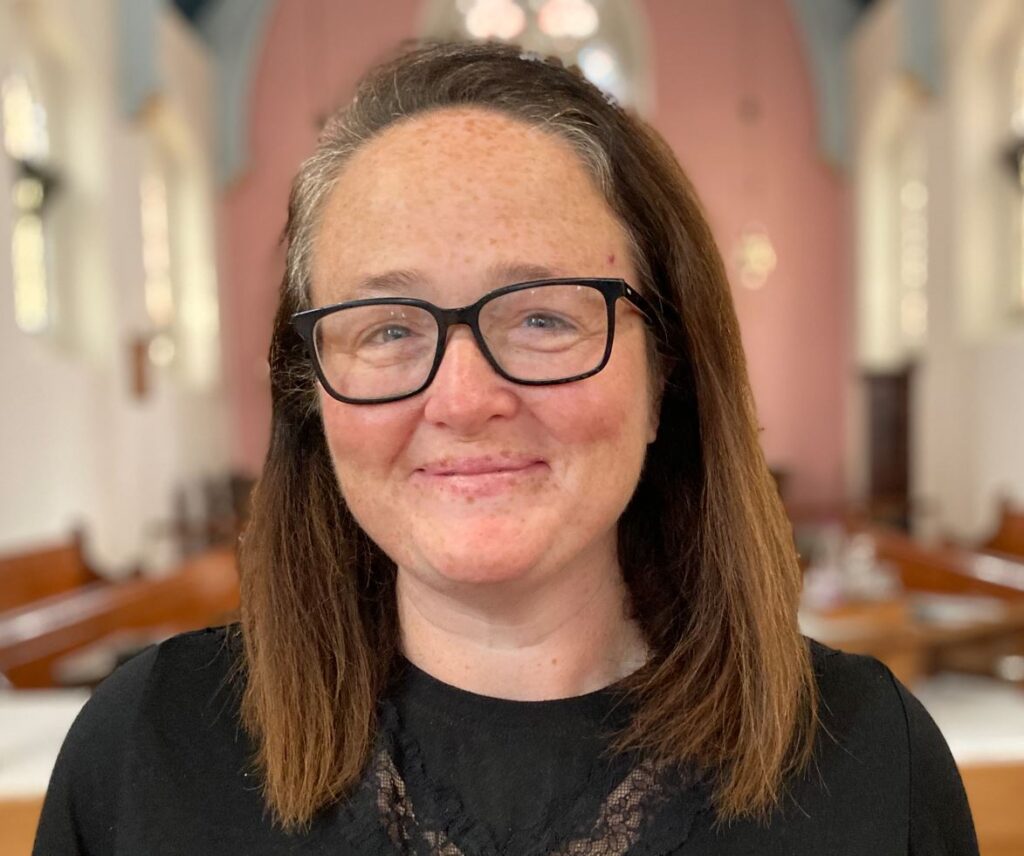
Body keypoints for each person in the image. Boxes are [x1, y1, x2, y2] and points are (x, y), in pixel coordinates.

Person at [34, 40, 978, 855]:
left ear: (667, 374)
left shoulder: (869, 762)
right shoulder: (145, 752)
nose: (464, 400)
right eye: (388, 327)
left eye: (541, 318)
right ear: (309, 393)